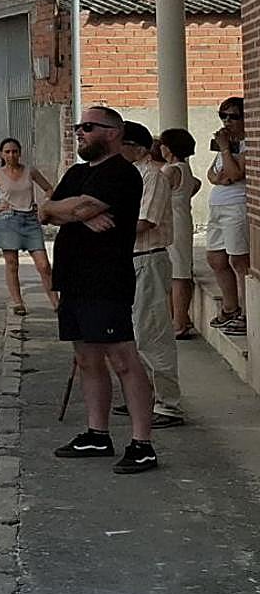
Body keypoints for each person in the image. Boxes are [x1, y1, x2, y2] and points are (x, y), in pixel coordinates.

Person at [40, 106, 157, 474]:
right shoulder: (76, 172)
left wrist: (74, 211)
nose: (80, 133)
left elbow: (77, 209)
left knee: (122, 358)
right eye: (79, 127)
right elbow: (44, 211)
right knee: (87, 359)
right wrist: (69, 210)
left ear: (112, 132)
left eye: (87, 127)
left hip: (106, 279)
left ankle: (142, 443)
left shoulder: (121, 173)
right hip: (73, 279)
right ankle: (97, 433)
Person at [118, 121, 184, 429]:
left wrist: (107, 232)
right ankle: (144, 394)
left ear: (136, 147)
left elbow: (146, 221)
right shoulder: (130, 176)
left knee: (152, 331)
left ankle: (168, 403)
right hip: (130, 260)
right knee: (133, 331)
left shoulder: (154, 177)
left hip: (148, 257)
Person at [0, 137, 58, 314]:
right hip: (9, 220)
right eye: (7, 152)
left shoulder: (30, 171)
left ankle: (56, 303)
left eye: (14, 151)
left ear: (20, 153)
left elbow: (49, 189)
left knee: (43, 265)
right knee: (12, 264)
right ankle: (18, 302)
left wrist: (44, 205)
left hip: (30, 220)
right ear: (1, 154)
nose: (11, 155)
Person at [206, 96, 248, 337]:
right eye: (223, 116)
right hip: (218, 206)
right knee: (215, 258)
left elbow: (233, 173)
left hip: (236, 207)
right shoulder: (228, 145)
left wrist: (224, 149)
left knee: (238, 261)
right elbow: (213, 175)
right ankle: (230, 306)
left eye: (233, 116)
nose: (227, 121)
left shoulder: (244, 144)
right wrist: (224, 171)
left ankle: (245, 311)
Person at [158, 128, 201, 339]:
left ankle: (179, 322)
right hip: (183, 218)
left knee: (177, 273)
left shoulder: (170, 170)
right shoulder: (185, 168)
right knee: (183, 268)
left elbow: (157, 192)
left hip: (173, 222)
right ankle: (182, 317)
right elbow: (196, 185)